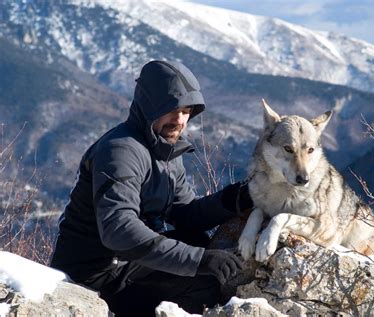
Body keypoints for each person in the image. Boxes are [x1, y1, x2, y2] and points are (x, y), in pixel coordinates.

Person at [50, 60, 253, 316]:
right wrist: (199, 261)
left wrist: (239, 197)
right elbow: (119, 230)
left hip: (123, 266)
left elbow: (185, 214)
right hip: (94, 278)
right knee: (204, 277)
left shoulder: (165, 150)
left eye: (186, 110)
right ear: (149, 105)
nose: (179, 119)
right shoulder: (121, 151)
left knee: (197, 242)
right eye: (171, 109)